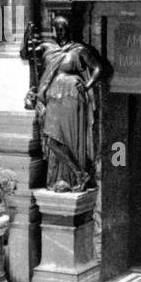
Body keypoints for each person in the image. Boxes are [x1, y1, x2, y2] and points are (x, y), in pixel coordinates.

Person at [24, 15, 107, 191]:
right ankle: (76, 174)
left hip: (72, 96)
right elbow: (27, 53)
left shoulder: (78, 50)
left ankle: (75, 178)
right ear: (54, 29)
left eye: (65, 28)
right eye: (58, 28)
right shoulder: (48, 47)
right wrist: (27, 35)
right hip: (53, 95)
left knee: (67, 137)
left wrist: (87, 85)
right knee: (51, 137)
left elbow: (99, 68)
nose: (62, 31)